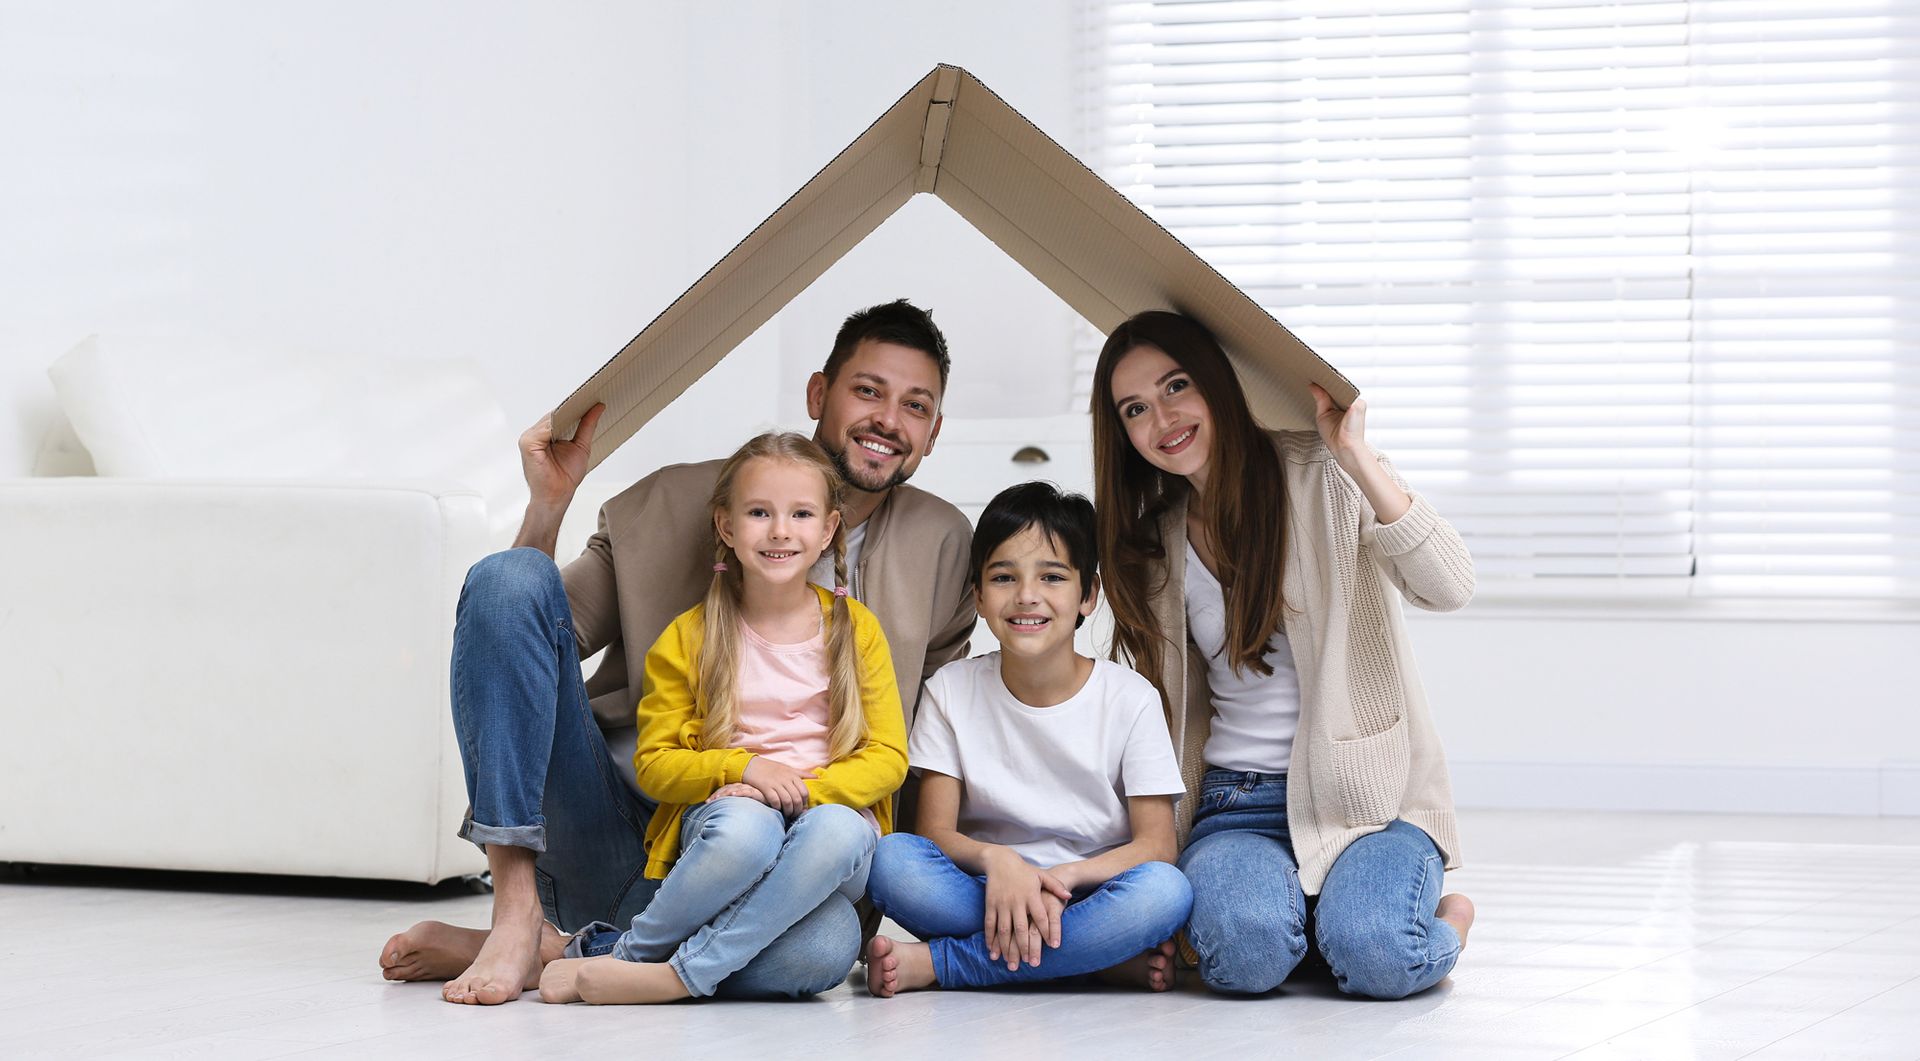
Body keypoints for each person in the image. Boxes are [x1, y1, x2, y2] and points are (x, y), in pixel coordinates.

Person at [378, 300, 974, 1004]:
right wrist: (548, 506)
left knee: (819, 953)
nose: (887, 420)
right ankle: (515, 915)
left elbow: (931, 743)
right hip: (629, 824)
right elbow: (518, 632)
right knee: (504, 579)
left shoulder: (943, 545)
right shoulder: (677, 500)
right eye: (868, 390)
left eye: (915, 405)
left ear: (933, 432)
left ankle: (578, 951)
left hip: (796, 862)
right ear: (820, 394)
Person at [1090, 310, 1477, 1000]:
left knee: (1380, 954)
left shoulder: (1322, 474)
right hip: (1234, 804)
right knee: (1242, 957)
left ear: (1216, 383)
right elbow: (1157, 711)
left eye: (1177, 386)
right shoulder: (1154, 546)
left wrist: (1357, 455)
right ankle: (1310, 919)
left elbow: (1449, 586)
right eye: (1136, 408)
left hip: (1369, 803)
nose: (1163, 418)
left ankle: (1442, 921)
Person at [536, 432, 906, 1004]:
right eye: (759, 513)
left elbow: (888, 757)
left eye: (801, 514)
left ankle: (635, 962)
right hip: (729, 831)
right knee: (816, 933)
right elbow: (656, 764)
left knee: (837, 836)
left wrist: (803, 792)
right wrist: (748, 770)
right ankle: (668, 965)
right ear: (727, 528)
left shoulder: (857, 631)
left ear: (829, 530)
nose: (780, 530)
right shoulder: (688, 638)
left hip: (829, 835)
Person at [864, 481, 1192, 996]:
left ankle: (946, 964)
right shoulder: (951, 688)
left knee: (1165, 892)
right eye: (1003, 576)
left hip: (1089, 892)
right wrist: (1002, 862)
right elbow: (933, 833)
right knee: (890, 862)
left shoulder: (1131, 697)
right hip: (984, 889)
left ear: (1089, 595)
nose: (1026, 596)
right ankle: (1092, 960)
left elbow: (1156, 845)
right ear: (977, 594)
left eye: (1052, 576)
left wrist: (1063, 879)